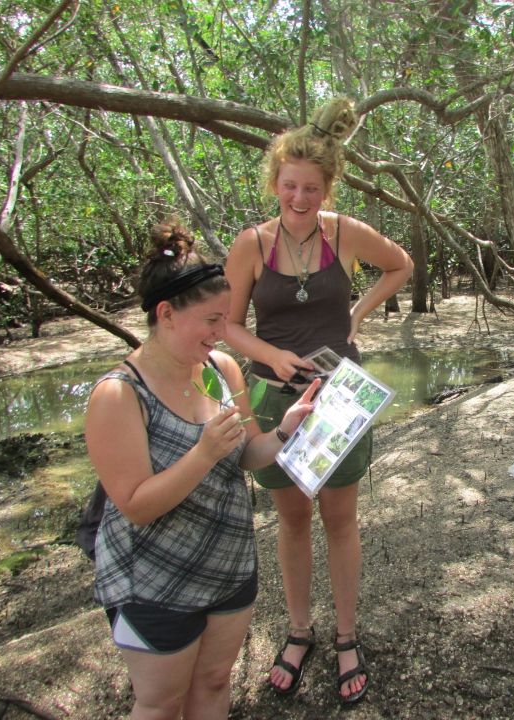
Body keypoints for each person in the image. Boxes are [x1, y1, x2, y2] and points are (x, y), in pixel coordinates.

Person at [85, 221, 318, 720]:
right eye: (211, 321)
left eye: (226, 320)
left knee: (214, 685)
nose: (221, 333)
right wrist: (203, 454)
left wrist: (284, 434)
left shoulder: (223, 371)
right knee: (160, 703)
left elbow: (248, 454)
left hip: (229, 567)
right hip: (151, 582)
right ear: (165, 314)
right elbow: (135, 505)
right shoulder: (118, 394)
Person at [224, 97, 413, 704]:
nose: (300, 199)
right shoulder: (250, 243)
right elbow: (227, 326)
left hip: (340, 401)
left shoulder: (344, 232)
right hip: (275, 400)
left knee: (340, 518)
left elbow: (399, 265)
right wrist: (272, 355)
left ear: (327, 189)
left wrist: (357, 312)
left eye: (311, 188)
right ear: (274, 183)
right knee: (292, 518)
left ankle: (347, 635)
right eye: (289, 186)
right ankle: (300, 629)